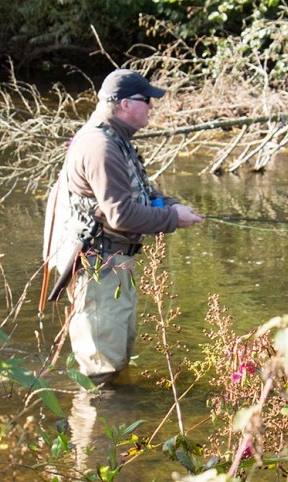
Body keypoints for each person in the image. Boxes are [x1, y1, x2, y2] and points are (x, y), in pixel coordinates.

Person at [47, 68, 203, 385]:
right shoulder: (100, 146)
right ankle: (92, 432)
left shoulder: (116, 141)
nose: (151, 106)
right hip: (97, 267)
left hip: (114, 267)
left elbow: (139, 193)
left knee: (115, 360)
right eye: (146, 100)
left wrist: (169, 203)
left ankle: (112, 427)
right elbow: (120, 214)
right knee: (101, 373)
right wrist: (174, 219)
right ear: (123, 104)